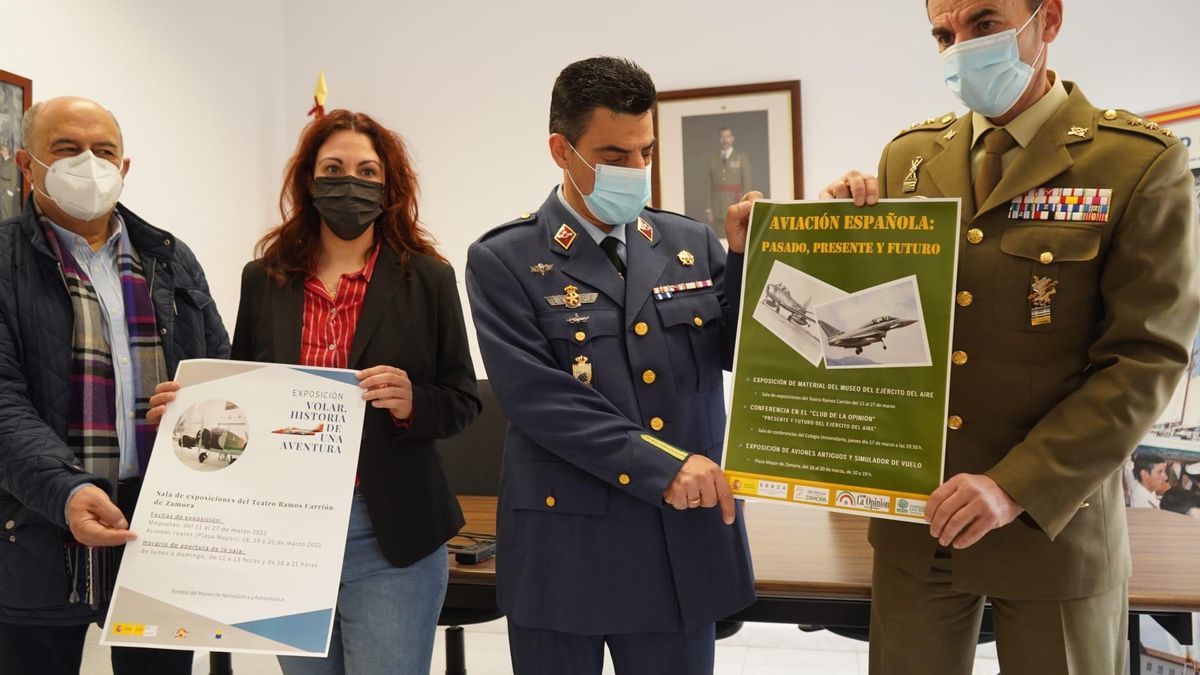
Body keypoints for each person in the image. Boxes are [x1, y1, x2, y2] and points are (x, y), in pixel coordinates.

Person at [818, 1, 1200, 673]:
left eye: (984, 23)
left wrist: (1015, 484)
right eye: (943, 33)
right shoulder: (909, 157)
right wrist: (838, 241)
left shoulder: (1136, 162)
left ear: (1047, 20)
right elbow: (892, 327)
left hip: (1053, 521)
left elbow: (1146, 358)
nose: (959, 47)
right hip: (921, 521)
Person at [153, 109, 480, 675]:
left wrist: (412, 402)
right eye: (333, 168)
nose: (349, 183)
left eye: (366, 171)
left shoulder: (427, 278)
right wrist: (189, 408)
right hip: (287, 534)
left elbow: (462, 398)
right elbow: (245, 396)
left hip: (391, 535)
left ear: (388, 186)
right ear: (309, 180)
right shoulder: (266, 278)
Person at [466, 56, 756, 675]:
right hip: (565, 549)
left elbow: (743, 356)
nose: (636, 170)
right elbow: (539, 399)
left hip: (680, 540)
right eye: (615, 155)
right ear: (560, 150)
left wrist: (751, 255)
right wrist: (665, 466)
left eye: (646, 152)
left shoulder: (690, 243)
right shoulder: (506, 259)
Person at [0, 97, 230, 674]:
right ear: (27, 164)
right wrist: (67, 491)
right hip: (35, 525)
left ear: (124, 168)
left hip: (162, 526)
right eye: (67, 149)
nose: (89, 163)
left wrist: (195, 402)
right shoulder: (4, 261)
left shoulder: (170, 260)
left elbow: (221, 373)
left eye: (103, 151)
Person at [705, 127, 753, 226]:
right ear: (719, 139)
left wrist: (746, 205)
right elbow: (708, 184)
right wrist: (708, 208)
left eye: (727, 136)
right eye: (722, 137)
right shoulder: (713, 158)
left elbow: (747, 183)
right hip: (717, 206)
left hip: (735, 203)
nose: (725, 140)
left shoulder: (741, 156)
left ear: (732, 138)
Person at [0, 143, 19, 221]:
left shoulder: (11, 163)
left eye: (4, 150)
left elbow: (14, 178)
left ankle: (9, 230)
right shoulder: (2, 163)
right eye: (2, 150)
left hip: (7, 191)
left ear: (8, 151)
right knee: (2, 211)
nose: (3, 152)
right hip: (2, 190)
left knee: (7, 212)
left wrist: (10, 191)